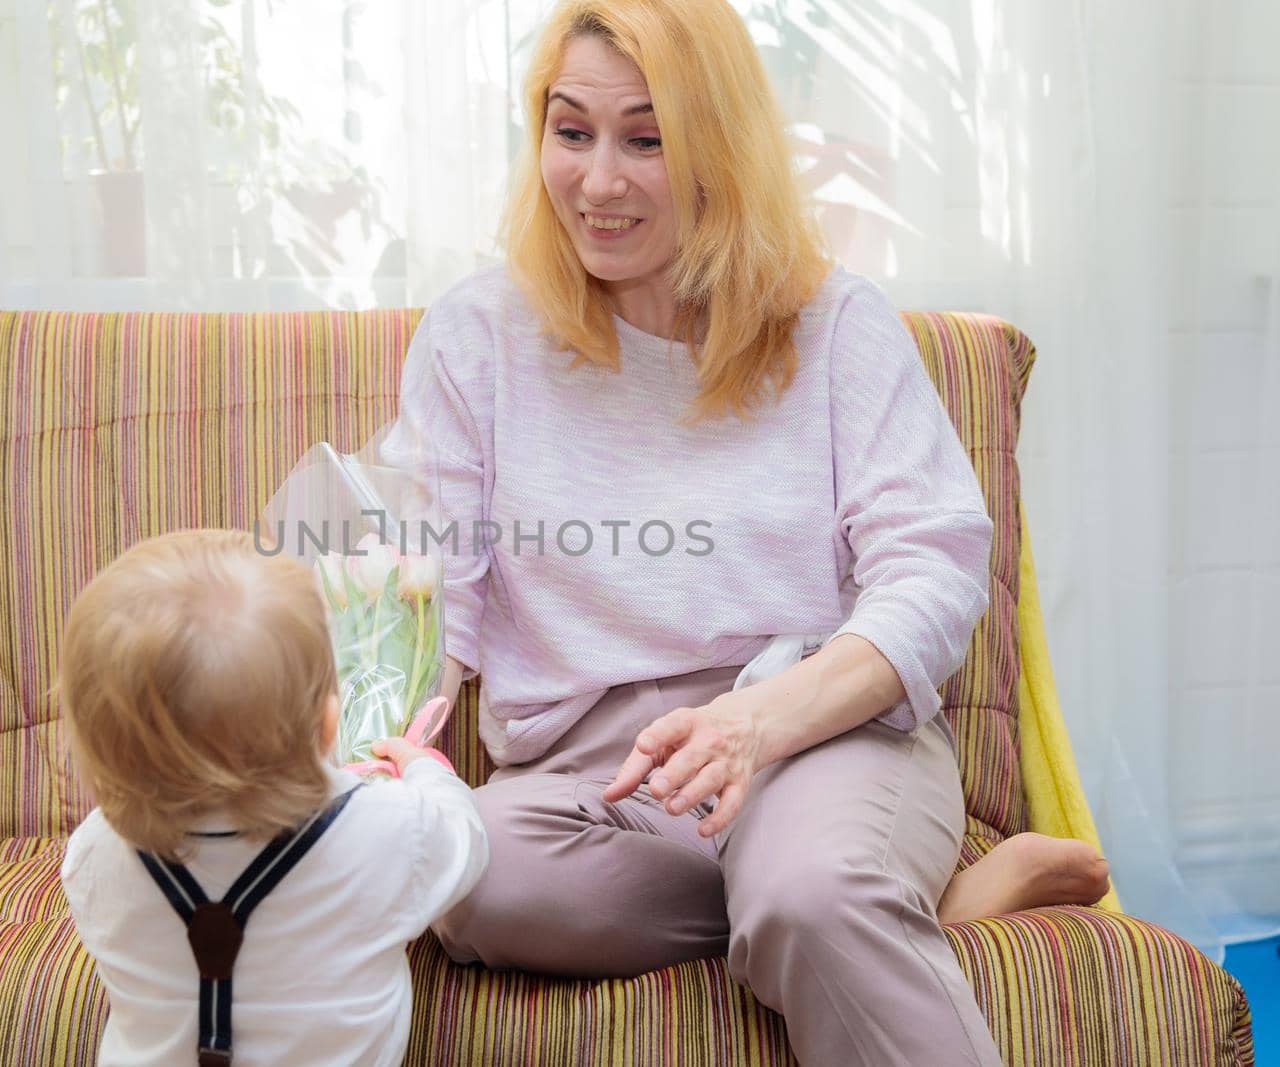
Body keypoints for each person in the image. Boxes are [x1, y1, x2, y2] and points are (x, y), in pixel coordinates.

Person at [376, 1, 1110, 1062]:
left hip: (815, 730)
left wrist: (759, 723)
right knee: (465, 874)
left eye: (647, 137)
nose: (598, 181)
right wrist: (384, 756)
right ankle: (897, 904)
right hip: (600, 780)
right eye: (571, 131)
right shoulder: (478, 334)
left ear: (720, 146)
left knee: (808, 883)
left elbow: (932, 567)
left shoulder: (835, 325)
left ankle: (825, 895)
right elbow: (431, 584)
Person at [57, 529, 487, 1067]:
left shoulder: (93, 856)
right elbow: (467, 843)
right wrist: (427, 773)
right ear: (330, 723)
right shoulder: (390, 831)